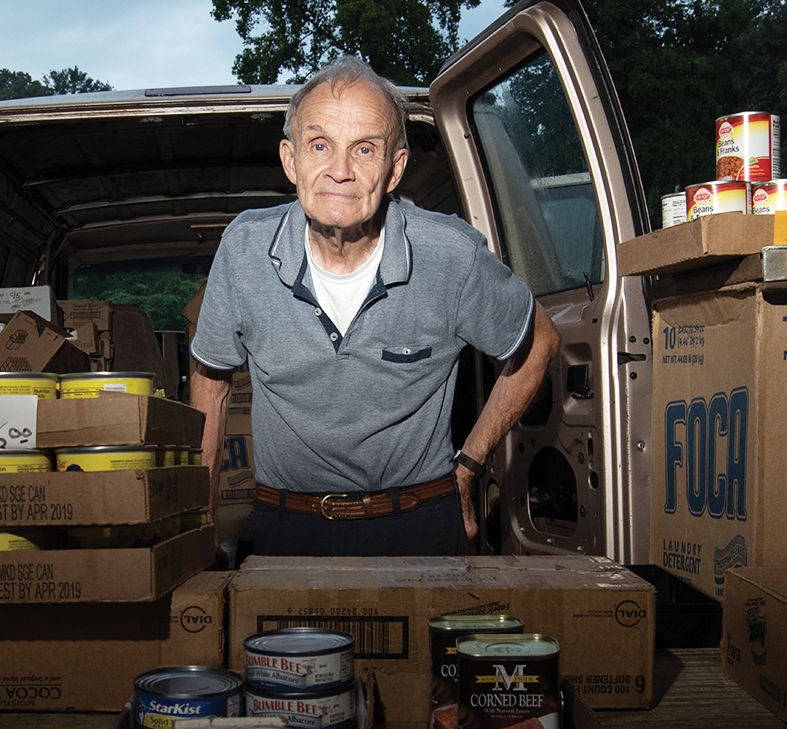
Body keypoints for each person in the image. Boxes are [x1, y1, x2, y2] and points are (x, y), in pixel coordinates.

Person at [190, 54, 558, 559]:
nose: (339, 171)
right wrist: (201, 520)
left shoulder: (451, 255)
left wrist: (470, 466)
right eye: (320, 145)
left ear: (394, 169)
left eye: (364, 149)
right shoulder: (245, 249)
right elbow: (211, 382)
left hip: (419, 528)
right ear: (290, 159)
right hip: (283, 533)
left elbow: (541, 342)